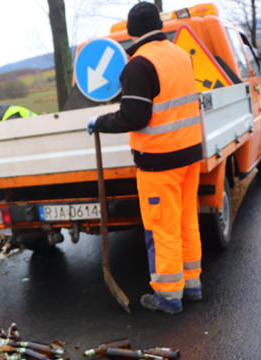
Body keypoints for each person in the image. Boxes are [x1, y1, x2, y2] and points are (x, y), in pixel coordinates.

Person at [87, 2, 203, 315]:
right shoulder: (179, 54)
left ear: (133, 31)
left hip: (159, 161)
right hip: (190, 154)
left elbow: (135, 115)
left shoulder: (139, 64)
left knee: (161, 227)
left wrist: (101, 123)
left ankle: (167, 296)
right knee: (185, 220)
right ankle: (191, 285)